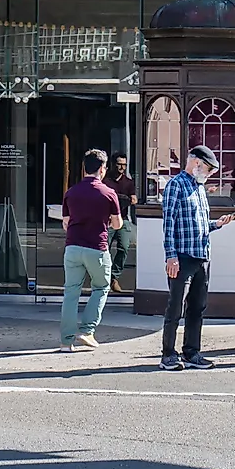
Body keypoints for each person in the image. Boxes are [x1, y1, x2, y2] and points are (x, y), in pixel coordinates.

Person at [158, 145, 217, 370]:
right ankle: (168, 354)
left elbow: (198, 225)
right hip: (182, 256)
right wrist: (171, 256)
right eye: (209, 169)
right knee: (176, 307)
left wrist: (216, 225)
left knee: (197, 307)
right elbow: (169, 222)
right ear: (197, 163)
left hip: (202, 255)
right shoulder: (176, 185)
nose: (210, 174)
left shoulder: (199, 188)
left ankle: (192, 352)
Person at [57, 148, 120, 351]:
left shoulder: (71, 192)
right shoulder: (109, 193)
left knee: (71, 292)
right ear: (102, 169)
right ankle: (87, 331)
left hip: (73, 246)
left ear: (84, 167)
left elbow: (66, 223)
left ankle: (66, 341)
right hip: (97, 248)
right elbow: (118, 224)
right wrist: (108, 222)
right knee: (101, 287)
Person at [106, 154, 138, 287]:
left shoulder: (128, 182)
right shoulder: (106, 181)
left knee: (124, 248)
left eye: (124, 165)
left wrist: (129, 200)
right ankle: (103, 276)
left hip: (123, 219)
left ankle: (114, 277)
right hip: (107, 220)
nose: (121, 167)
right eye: (119, 164)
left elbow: (134, 198)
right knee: (103, 248)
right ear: (113, 164)